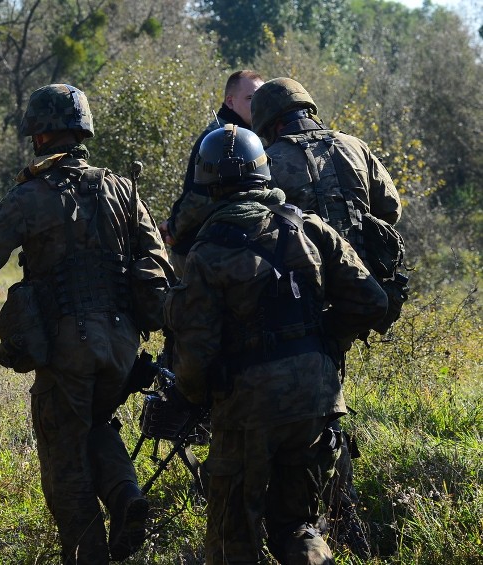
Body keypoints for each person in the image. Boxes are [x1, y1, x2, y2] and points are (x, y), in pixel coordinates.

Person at [0, 83, 172, 564]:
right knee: (97, 423)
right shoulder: (121, 188)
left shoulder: (31, 195)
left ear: (38, 135)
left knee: (63, 460)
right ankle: (125, 496)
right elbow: (157, 263)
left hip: (69, 346)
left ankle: (88, 555)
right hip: (121, 345)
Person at [164, 123, 388, 564]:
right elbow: (371, 300)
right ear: (264, 175)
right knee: (298, 525)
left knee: (233, 538)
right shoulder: (308, 227)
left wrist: (195, 395)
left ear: (209, 187)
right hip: (317, 398)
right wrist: (322, 344)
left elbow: (196, 353)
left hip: (247, 407)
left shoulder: (206, 253)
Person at [251, 77, 404, 557]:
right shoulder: (354, 147)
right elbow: (391, 209)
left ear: (270, 122)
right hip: (362, 298)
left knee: (317, 411)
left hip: (302, 304)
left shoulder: (271, 160)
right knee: (327, 396)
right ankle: (332, 511)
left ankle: (332, 516)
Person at [160, 70, 264, 276]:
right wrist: (173, 230)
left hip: (219, 246)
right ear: (230, 101)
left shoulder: (243, 134)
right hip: (198, 252)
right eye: (250, 98)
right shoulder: (224, 139)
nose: (257, 104)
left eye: (260, 98)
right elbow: (200, 196)